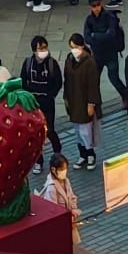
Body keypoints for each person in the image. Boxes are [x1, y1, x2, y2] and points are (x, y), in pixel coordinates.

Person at [20, 35, 64, 174]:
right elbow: (23, 81)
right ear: (34, 50)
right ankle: (38, 161)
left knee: (50, 131)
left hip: (47, 103)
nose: (44, 50)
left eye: (45, 47)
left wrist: (50, 95)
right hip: (33, 105)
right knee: (35, 134)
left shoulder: (51, 63)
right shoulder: (28, 63)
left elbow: (58, 81)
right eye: (40, 48)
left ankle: (58, 156)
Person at [64, 32, 102, 169]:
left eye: (75, 46)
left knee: (86, 131)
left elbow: (93, 85)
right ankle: (82, 155)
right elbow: (66, 80)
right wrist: (66, 98)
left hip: (84, 101)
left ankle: (90, 154)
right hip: (74, 100)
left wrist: (91, 103)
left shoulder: (89, 62)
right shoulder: (70, 59)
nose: (73, 50)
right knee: (77, 131)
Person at [82, 0, 126, 98]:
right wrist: (102, 35)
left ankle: (126, 96)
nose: (96, 8)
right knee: (94, 81)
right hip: (97, 56)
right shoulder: (89, 20)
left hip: (110, 54)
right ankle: (96, 105)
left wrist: (95, 36)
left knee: (114, 79)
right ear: (90, 7)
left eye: (98, 5)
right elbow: (87, 38)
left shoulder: (109, 17)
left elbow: (111, 35)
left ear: (101, 4)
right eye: (93, 6)